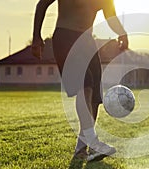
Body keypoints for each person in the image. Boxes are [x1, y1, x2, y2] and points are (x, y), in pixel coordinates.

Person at [31, 0, 128, 162]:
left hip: (87, 41)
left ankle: (82, 148)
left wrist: (122, 33)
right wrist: (36, 37)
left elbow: (110, 15)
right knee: (85, 82)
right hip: (65, 37)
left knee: (95, 95)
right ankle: (93, 142)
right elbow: (42, 4)